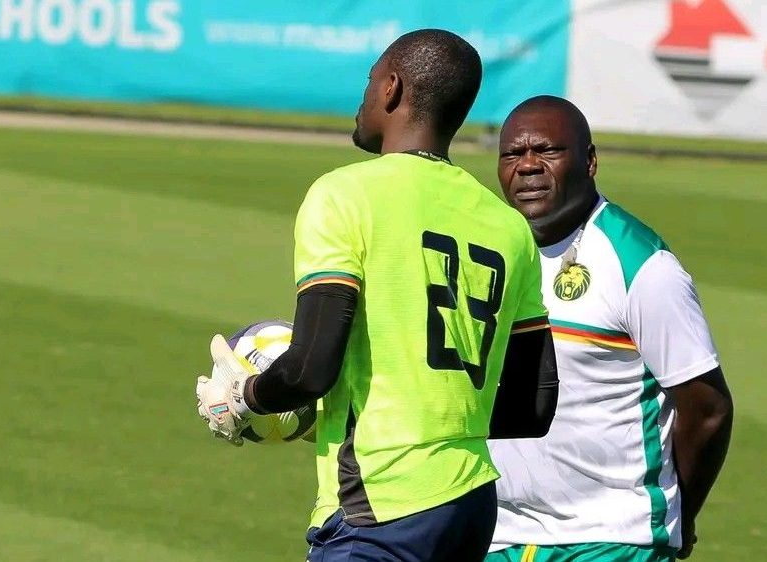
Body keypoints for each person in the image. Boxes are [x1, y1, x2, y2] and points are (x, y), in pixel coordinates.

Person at [195, 30, 559, 561]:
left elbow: (309, 370)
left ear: (391, 89)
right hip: (470, 505)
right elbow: (534, 404)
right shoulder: (508, 227)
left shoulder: (344, 195)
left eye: (368, 82)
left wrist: (244, 399)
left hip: (378, 508)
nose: (362, 98)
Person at [486, 96, 734, 562]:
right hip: (499, 535)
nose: (528, 166)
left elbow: (707, 409)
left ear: (590, 160)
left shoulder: (641, 264)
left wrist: (681, 512)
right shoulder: (491, 249)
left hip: (611, 541)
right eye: (513, 154)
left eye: (548, 151)